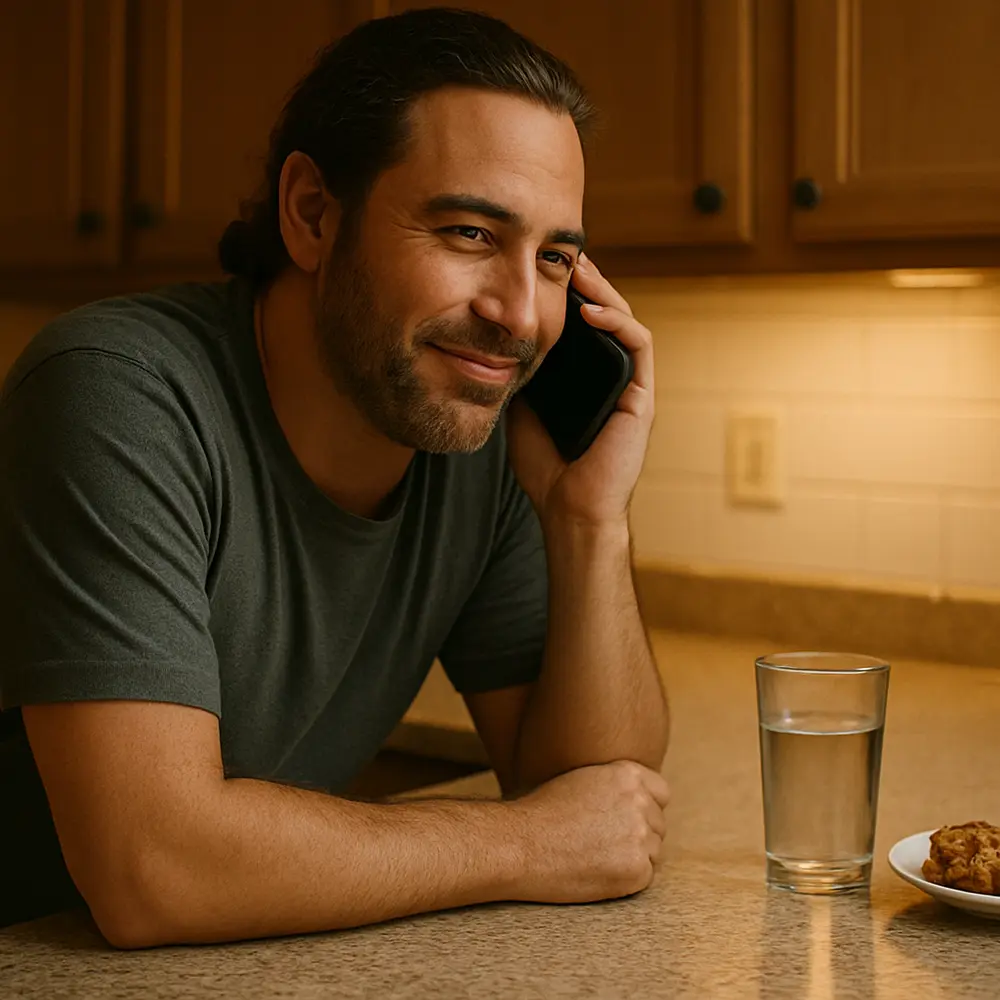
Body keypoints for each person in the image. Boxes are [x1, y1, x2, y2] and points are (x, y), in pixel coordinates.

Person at [0, 7, 669, 945]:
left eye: (555, 257)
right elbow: (151, 868)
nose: (520, 314)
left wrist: (591, 523)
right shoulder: (118, 392)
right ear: (313, 213)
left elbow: (606, 808)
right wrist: (525, 843)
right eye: (471, 233)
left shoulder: (473, 434)